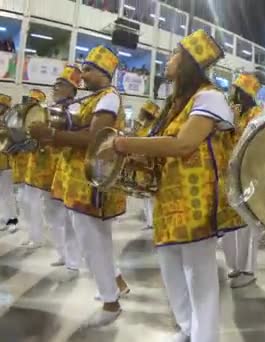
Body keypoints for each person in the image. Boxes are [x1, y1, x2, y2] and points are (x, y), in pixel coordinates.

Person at [107, 29, 233, 342]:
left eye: (175, 53)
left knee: (199, 275)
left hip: (196, 199)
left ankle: (205, 337)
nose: (168, 59)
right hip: (168, 197)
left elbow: (182, 145)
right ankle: (188, 328)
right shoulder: (178, 102)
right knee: (171, 268)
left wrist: (123, 143)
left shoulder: (211, 97)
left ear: (190, 62)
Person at [29, 46, 129, 327]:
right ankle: (116, 285)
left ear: (103, 73)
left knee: (92, 242)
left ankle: (111, 303)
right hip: (82, 178)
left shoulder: (108, 98)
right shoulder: (95, 98)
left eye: (87, 70)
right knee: (98, 240)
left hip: (92, 179)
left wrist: (52, 134)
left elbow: (95, 138)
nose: (81, 76)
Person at [31, 65, 83, 270]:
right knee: (51, 212)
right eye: (55, 84)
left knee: (70, 215)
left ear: (73, 90)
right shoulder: (46, 109)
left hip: (68, 168)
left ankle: (74, 259)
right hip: (48, 168)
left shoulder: (77, 110)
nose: (55, 87)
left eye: (61, 84)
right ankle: (63, 253)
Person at [220, 70, 265, 289]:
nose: (232, 95)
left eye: (236, 91)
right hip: (231, 175)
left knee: (248, 225)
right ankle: (235, 266)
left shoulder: (258, 113)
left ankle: (248, 270)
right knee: (232, 223)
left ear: (246, 93)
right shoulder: (232, 113)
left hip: (251, 174)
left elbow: (257, 142)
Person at [11, 89, 47, 240]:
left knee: (33, 203)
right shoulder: (21, 116)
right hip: (21, 165)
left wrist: (23, 145)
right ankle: (31, 234)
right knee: (22, 200)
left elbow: (40, 142)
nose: (31, 103)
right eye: (30, 100)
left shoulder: (42, 117)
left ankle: (36, 236)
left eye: (35, 101)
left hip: (36, 165)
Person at [135, 100, 160, 230]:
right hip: (140, 165)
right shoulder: (143, 127)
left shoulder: (153, 129)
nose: (140, 113)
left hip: (148, 166)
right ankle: (150, 221)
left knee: (151, 196)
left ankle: (153, 222)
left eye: (142, 111)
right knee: (145, 196)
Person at [0, 93, 19, 233]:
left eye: (3, 106)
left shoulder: (12, 122)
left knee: (7, 193)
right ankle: (3, 219)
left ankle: (12, 220)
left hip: (6, 163)